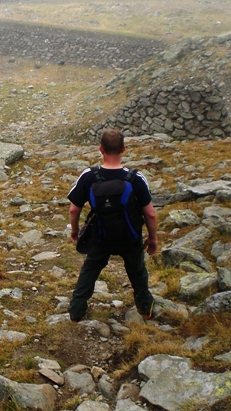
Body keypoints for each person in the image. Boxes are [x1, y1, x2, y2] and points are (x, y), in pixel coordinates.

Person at [67, 129, 158, 323]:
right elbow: (150, 213)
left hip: (100, 236)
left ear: (101, 149)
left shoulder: (89, 176)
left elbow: (74, 210)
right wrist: (153, 238)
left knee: (90, 270)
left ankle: (76, 312)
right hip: (130, 236)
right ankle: (145, 308)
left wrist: (75, 231)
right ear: (123, 149)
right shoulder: (136, 178)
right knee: (137, 271)